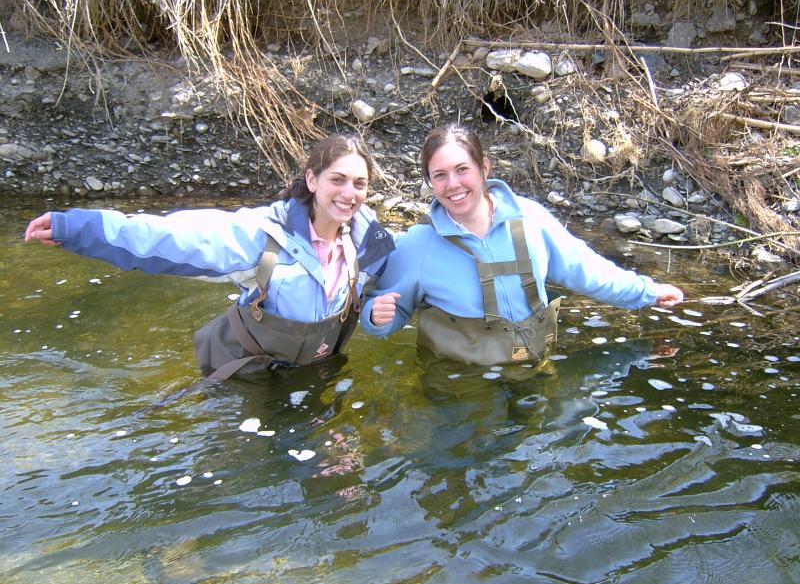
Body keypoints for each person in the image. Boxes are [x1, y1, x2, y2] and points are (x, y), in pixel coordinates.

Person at [25, 133, 395, 379]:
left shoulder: (369, 246)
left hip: (313, 376)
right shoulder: (262, 236)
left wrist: (377, 310)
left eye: (359, 184)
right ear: (312, 181)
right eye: (338, 180)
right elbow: (171, 238)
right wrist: (76, 228)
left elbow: (412, 272)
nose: (350, 193)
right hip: (248, 378)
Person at [360, 123, 683, 366]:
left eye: (462, 170)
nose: (453, 185)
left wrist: (646, 292)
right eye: (440, 176)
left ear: (484, 168)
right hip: (458, 384)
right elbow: (382, 311)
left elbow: (585, 269)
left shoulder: (531, 218)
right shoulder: (419, 243)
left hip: (534, 366)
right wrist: (377, 316)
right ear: (430, 182)